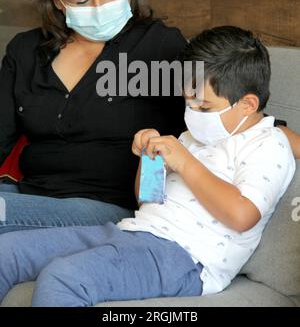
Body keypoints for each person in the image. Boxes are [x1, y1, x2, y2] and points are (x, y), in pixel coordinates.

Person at [0, 26, 295, 306]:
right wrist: (149, 160)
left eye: (203, 107)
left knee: (64, 279)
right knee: (6, 253)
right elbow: (147, 199)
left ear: (247, 105)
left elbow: (243, 215)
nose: (192, 112)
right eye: (188, 102)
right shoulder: (193, 137)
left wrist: (184, 161)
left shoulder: (268, 144)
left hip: (186, 259)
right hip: (133, 232)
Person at [0, 0, 186, 234]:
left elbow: (220, 110)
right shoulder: (26, 51)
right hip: (30, 195)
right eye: (82, 1)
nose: (98, 7)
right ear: (59, 1)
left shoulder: (158, 46)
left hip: (109, 206)